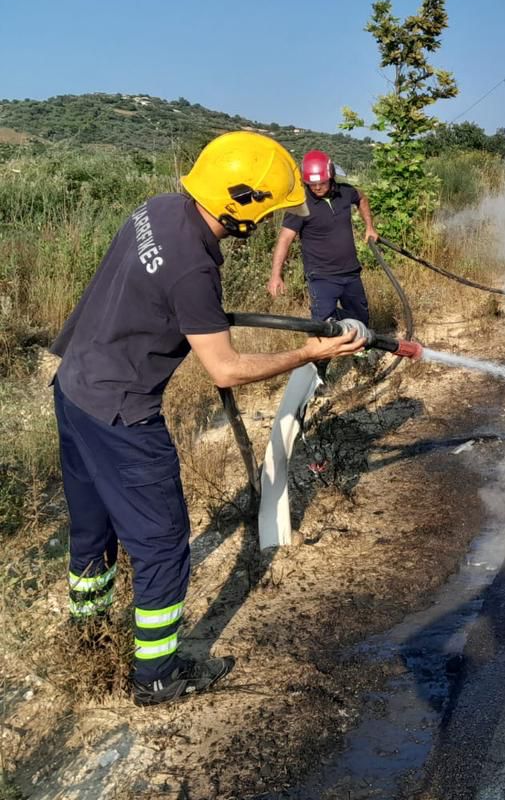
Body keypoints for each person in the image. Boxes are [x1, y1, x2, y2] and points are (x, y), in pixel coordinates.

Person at [50, 131, 366, 707]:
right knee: (163, 543)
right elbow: (224, 369)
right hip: (122, 413)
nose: (271, 219)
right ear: (239, 208)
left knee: (92, 530)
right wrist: (309, 354)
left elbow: (149, 286)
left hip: (74, 389)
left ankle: (87, 635)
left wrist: (191, 312)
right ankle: (157, 676)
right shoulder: (193, 268)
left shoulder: (159, 209)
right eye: (267, 209)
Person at [267, 150, 378, 386]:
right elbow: (285, 240)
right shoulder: (300, 206)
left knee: (361, 318)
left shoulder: (345, 192)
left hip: (350, 272)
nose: (316, 187)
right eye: (312, 184)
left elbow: (362, 199)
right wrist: (276, 274)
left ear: (331, 177)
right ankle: (319, 377)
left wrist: (369, 227)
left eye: (321, 183)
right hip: (321, 277)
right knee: (323, 327)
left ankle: (362, 358)